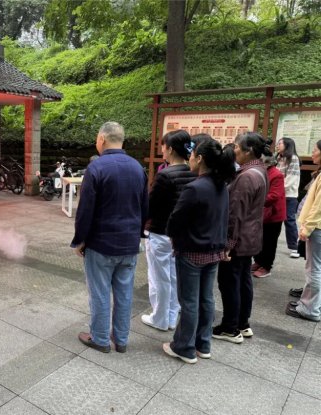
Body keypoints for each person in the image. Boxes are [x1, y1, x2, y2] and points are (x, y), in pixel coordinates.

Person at [72, 122, 148, 353]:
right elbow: (144, 207)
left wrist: (80, 240)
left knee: (100, 293)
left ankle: (101, 339)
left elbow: (85, 210)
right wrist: (138, 234)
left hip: (101, 243)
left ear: (102, 139)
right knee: (124, 294)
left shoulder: (96, 168)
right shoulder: (138, 168)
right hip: (129, 244)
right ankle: (121, 340)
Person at [163, 135, 233, 364]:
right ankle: (203, 344)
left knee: (189, 301)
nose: (189, 159)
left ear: (200, 158)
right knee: (206, 298)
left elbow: (176, 220)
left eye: (192, 155)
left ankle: (184, 346)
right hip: (214, 251)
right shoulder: (221, 186)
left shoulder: (194, 188)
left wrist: (173, 235)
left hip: (192, 251)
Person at [213, 132, 269, 344]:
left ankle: (229, 327)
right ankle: (242, 323)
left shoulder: (246, 176)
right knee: (243, 281)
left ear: (249, 150)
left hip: (239, 239)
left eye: (237, 147)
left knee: (229, 282)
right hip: (250, 237)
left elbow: (235, 214)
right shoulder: (260, 170)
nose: (234, 150)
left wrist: (228, 244)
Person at [142, 130, 196, 331]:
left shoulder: (165, 175)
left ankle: (160, 318)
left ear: (170, 149)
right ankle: (172, 315)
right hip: (180, 235)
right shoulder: (193, 172)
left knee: (159, 278)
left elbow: (151, 206)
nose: (162, 150)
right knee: (174, 277)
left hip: (160, 232)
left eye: (163, 146)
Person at [286, 140, 321, 322]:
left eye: (315, 150)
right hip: (316, 227)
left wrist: (307, 228)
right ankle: (311, 303)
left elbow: (318, 208)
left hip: (317, 228)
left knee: (313, 269)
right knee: (316, 268)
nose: (313, 153)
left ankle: (310, 309)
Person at [252, 152, 286, 278]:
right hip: (261, 212)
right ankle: (258, 261)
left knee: (269, 242)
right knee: (259, 239)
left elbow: (274, 195)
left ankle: (266, 266)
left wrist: (255, 199)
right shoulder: (262, 172)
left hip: (273, 215)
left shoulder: (276, 174)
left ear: (267, 162)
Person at [276, 137, 301, 258]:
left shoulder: (293, 158)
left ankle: (295, 247)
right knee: (275, 221)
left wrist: (277, 189)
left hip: (289, 195)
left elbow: (291, 179)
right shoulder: (279, 158)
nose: (277, 145)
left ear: (287, 145)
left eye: (280, 143)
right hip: (278, 194)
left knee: (289, 221)